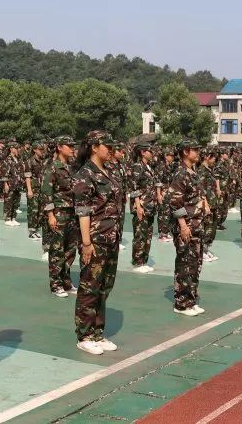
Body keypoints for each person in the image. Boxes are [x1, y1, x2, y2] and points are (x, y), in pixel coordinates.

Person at [72, 130, 123, 355]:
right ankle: (84, 335)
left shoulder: (109, 171)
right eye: (106, 145)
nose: (110, 149)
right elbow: (83, 211)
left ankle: (97, 333)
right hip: (95, 239)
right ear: (94, 147)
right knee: (89, 287)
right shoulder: (85, 175)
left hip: (111, 237)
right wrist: (86, 243)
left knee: (105, 287)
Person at [167, 140, 207, 316]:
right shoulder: (181, 173)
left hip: (197, 224)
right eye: (195, 150)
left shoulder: (193, 172)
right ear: (185, 152)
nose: (198, 152)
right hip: (187, 226)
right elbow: (175, 202)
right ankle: (182, 302)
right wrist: (183, 225)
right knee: (185, 263)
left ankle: (191, 298)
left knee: (195, 263)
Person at [42, 136, 79, 297]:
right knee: (57, 249)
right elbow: (46, 193)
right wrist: (50, 215)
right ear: (59, 147)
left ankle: (66, 280)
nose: (72, 148)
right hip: (58, 213)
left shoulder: (70, 167)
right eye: (68, 146)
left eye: (73, 145)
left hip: (71, 213)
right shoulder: (52, 167)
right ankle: (55, 283)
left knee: (70, 249)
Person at [129, 142, 162, 273]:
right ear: (143, 152)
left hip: (150, 206)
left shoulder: (149, 167)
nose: (152, 153)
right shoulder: (137, 167)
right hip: (142, 206)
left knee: (147, 235)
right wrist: (138, 206)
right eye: (150, 151)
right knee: (139, 234)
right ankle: (137, 262)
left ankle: (143, 260)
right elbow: (134, 187)